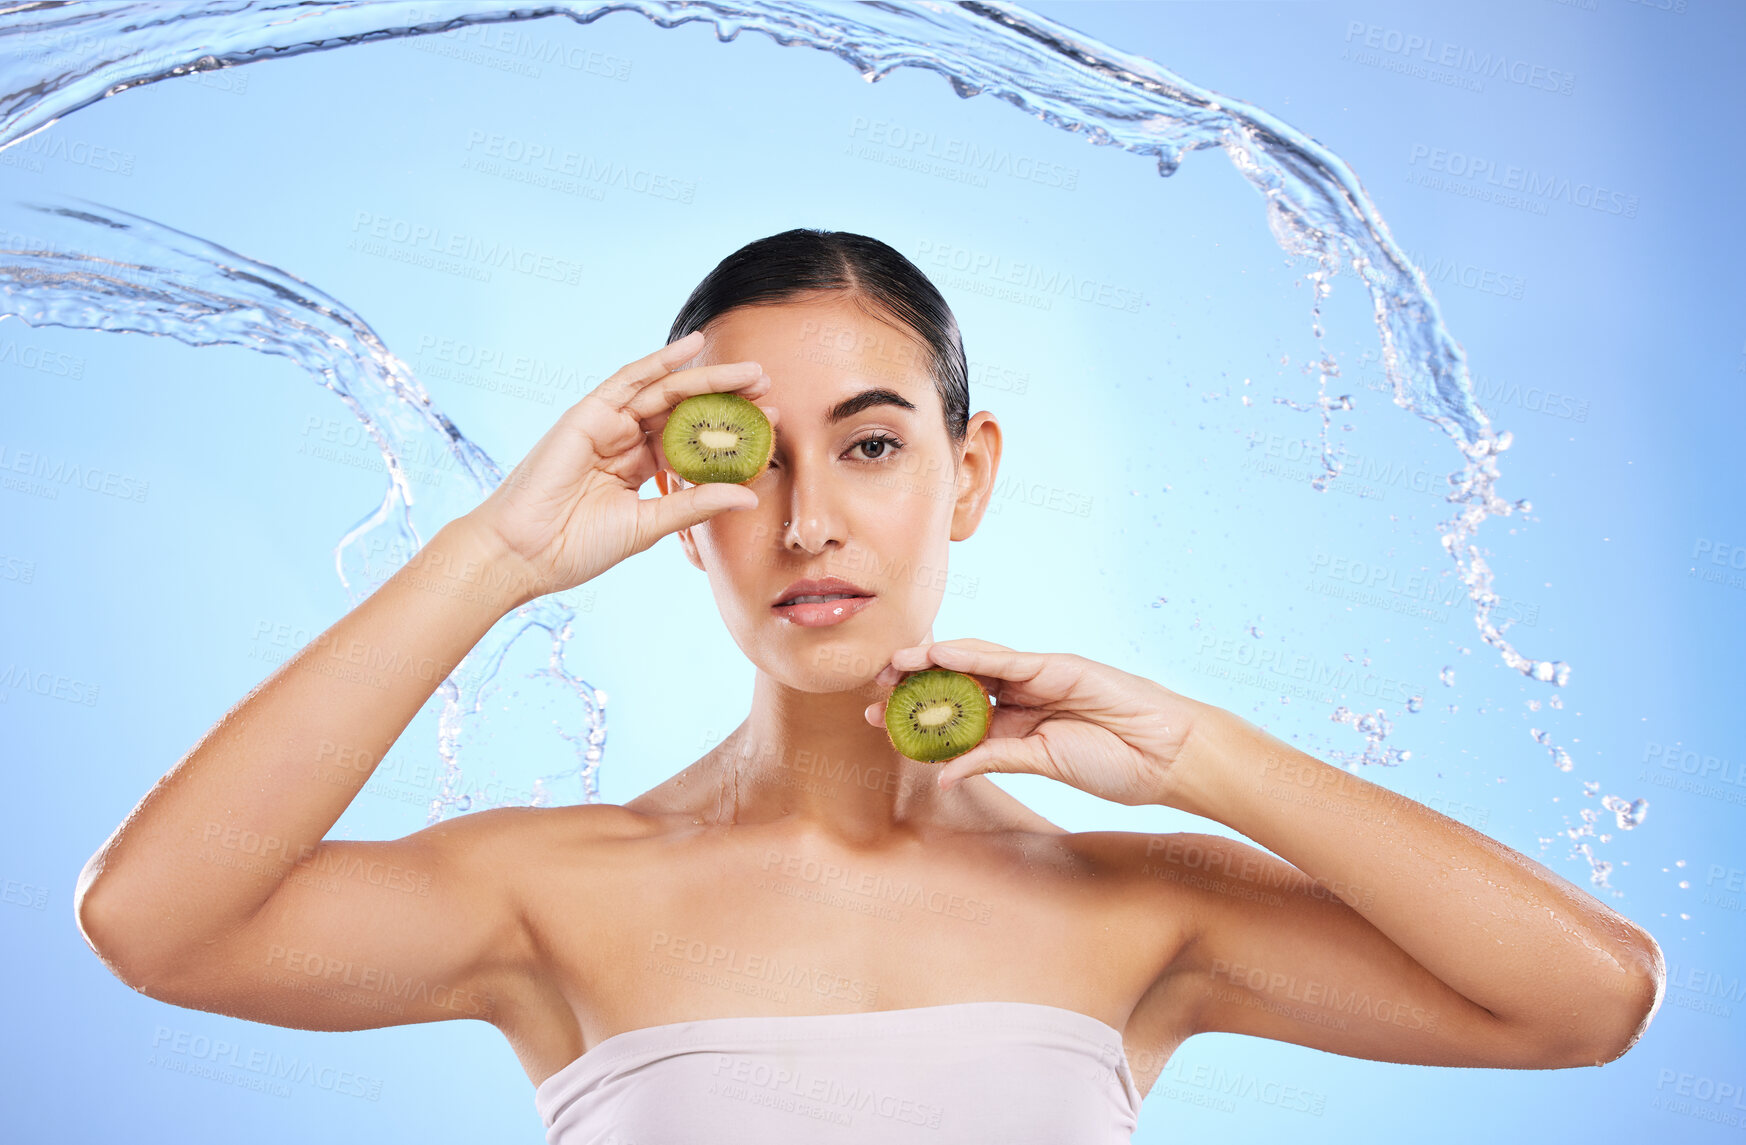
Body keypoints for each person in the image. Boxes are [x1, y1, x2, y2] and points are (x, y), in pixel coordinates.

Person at [74, 229, 1665, 1143]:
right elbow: (158, 921)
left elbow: (1586, 998)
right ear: (668, 500)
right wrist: (501, 549)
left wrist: (1198, 754)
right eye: (745, 457)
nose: (809, 515)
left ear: (966, 476)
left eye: (872, 442)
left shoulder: (1139, 906)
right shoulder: (548, 892)